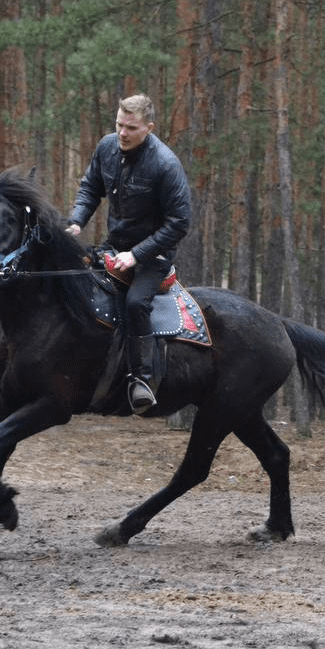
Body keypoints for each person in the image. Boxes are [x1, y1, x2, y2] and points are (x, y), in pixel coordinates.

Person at [66, 93, 192, 412]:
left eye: (131, 128)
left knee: (136, 303)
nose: (122, 133)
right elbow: (89, 188)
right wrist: (77, 222)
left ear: (149, 128)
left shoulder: (166, 164)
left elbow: (179, 223)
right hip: (114, 247)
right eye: (119, 124)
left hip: (154, 258)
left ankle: (142, 380)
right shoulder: (107, 146)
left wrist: (136, 255)